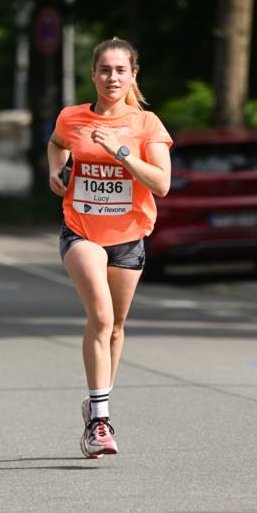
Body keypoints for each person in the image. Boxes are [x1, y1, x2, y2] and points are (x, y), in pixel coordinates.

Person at [48, 37, 172, 459]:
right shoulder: (73, 117)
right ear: (94, 75)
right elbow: (56, 145)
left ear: (133, 75)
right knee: (99, 317)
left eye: (120, 70)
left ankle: (95, 404)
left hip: (129, 237)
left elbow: (161, 183)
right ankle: (100, 422)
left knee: (116, 326)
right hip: (81, 230)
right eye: (104, 70)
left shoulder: (147, 125)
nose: (112, 77)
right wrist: (55, 171)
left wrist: (120, 152)